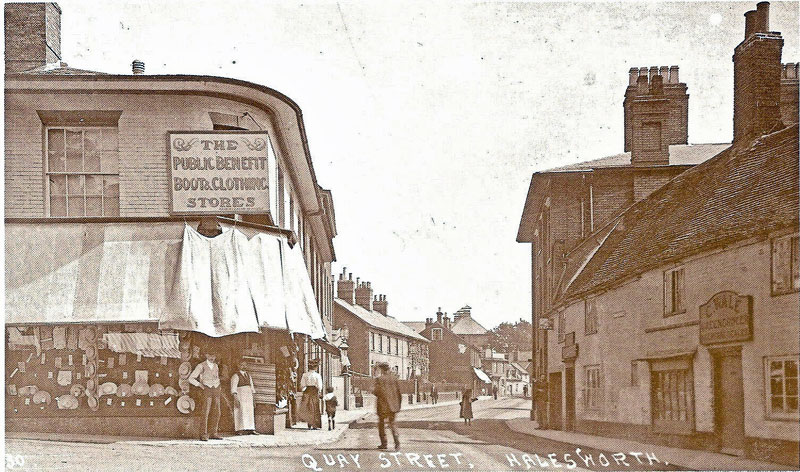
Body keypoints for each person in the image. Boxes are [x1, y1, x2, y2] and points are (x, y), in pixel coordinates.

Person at [188, 351, 222, 441]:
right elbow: (191, 378)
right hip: (207, 389)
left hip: (216, 389)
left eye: (213, 355)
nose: (212, 357)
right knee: (206, 411)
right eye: (210, 355)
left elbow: (216, 377)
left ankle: (214, 433)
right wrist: (199, 385)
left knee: (217, 411)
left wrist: (218, 385)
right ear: (206, 355)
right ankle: (204, 434)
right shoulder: (201, 366)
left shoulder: (216, 366)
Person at [374, 362, 402, 450]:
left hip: (383, 406)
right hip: (393, 406)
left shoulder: (379, 379)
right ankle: (397, 443)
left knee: (381, 424)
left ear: (382, 369)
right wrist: (398, 405)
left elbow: (377, 392)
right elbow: (399, 393)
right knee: (392, 424)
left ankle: (384, 443)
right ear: (388, 369)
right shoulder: (394, 379)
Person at [231, 362, 257, 435]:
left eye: (245, 365)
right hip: (240, 395)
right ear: (238, 365)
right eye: (242, 365)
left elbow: (252, 387)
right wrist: (236, 399)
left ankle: (250, 428)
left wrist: (253, 399)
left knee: (249, 411)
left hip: (248, 396)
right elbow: (233, 388)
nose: (244, 366)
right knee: (240, 411)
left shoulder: (248, 375)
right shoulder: (235, 376)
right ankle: (239, 430)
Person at [298, 359, 323, 429]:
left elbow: (302, 385)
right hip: (314, 392)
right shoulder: (317, 375)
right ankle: (315, 425)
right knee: (315, 407)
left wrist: (304, 390)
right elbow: (319, 386)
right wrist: (319, 390)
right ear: (316, 367)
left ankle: (309, 424)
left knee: (308, 407)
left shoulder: (305, 375)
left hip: (307, 391)